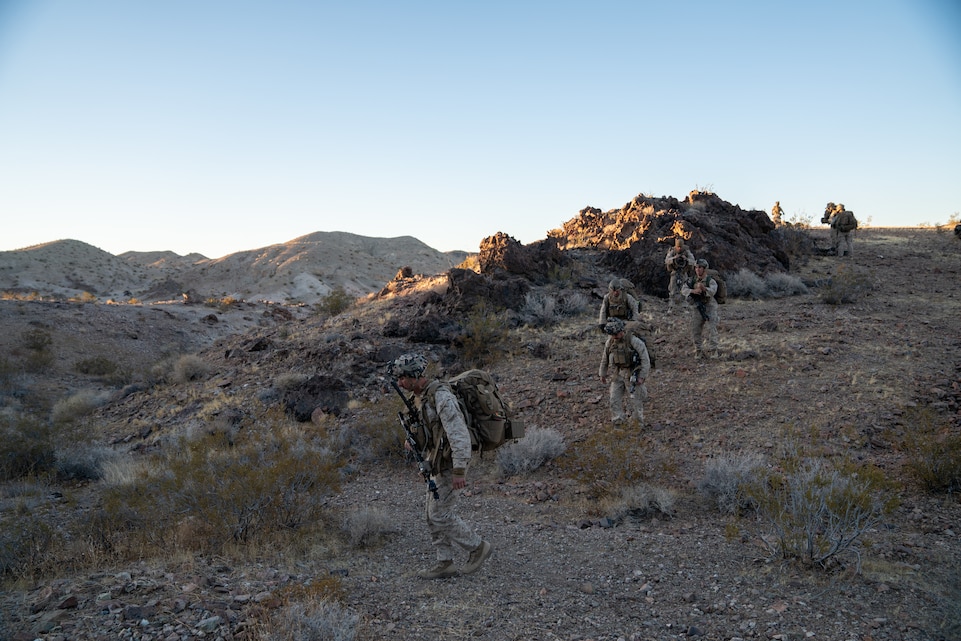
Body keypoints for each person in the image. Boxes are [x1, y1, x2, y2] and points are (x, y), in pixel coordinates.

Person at [388, 353, 492, 579]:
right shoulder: (421, 397)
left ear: (415, 376)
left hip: (449, 464)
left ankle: (477, 547)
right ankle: (445, 562)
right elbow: (432, 431)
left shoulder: (441, 396)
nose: (400, 384)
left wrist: (459, 470)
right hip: (436, 461)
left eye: (402, 378)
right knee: (431, 513)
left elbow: (459, 436)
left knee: (440, 514)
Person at [598, 318, 651, 427]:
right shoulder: (610, 342)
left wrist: (642, 376)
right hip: (618, 374)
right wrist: (602, 373)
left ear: (621, 331)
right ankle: (618, 421)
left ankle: (637, 424)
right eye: (612, 335)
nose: (614, 337)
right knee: (614, 398)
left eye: (616, 334)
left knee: (635, 400)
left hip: (632, 373)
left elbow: (645, 359)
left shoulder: (634, 341)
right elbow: (605, 358)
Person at [680, 258, 719, 359]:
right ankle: (698, 350)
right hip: (697, 307)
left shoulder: (710, 280)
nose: (697, 270)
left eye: (700, 268)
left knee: (712, 329)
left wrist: (704, 289)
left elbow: (713, 290)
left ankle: (713, 351)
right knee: (695, 329)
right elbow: (683, 289)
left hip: (710, 306)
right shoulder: (692, 280)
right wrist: (693, 291)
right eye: (696, 268)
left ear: (705, 269)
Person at [664, 239, 696, 313]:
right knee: (672, 290)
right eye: (678, 247)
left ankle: (684, 307)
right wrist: (674, 258)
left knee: (684, 289)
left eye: (680, 247)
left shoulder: (687, 251)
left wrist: (686, 259)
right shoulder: (672, 251)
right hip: (674, 272)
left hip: (683, 273)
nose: (679, 248)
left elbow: (693, 262)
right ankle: (671, 307)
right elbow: (666, 260)